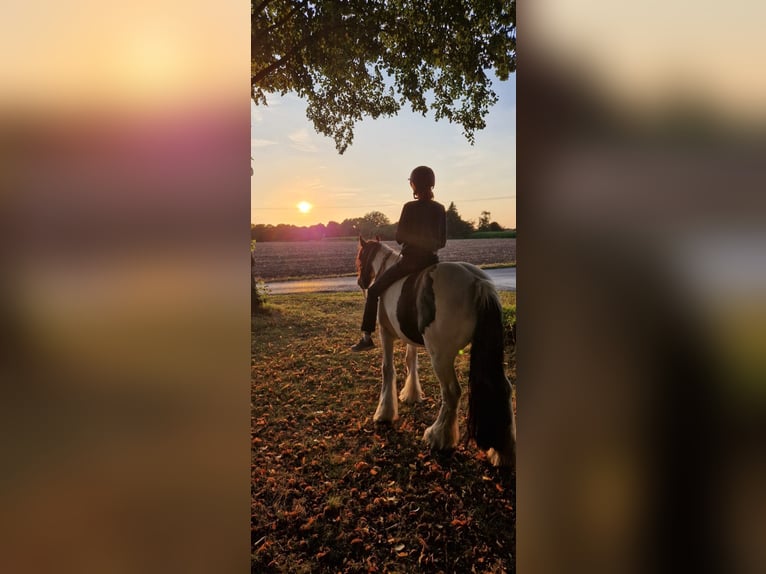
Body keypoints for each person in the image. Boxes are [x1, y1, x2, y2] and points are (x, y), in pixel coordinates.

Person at [351, 166, 447, 352]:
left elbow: (400, 237)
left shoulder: (409, 207)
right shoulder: (440, 208)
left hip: (410, 262)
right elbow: (442, 241)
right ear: (432, 184)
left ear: (414, 185)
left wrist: (413, 239)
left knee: (373, 291)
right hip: (433, 262)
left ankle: (366, 336)